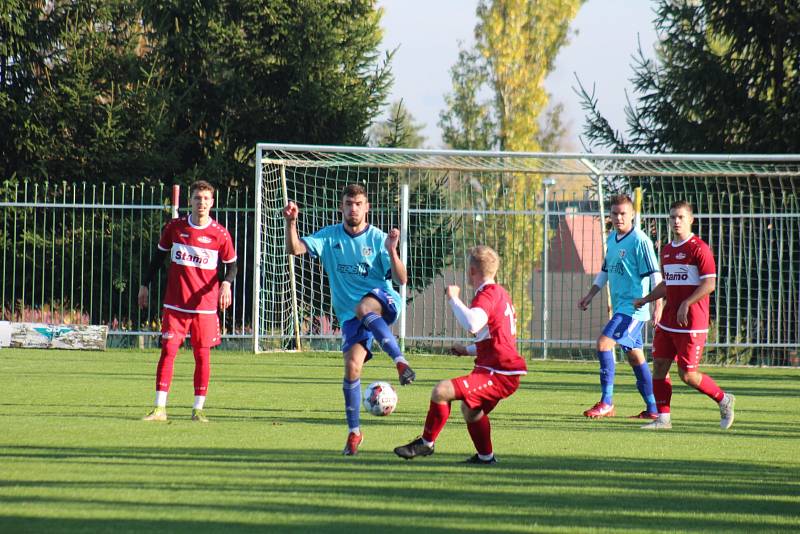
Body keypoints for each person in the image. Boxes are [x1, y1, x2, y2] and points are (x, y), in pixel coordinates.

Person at [283, 184, 415, 456]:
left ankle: (400, 360)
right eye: (348, 203)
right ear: (341, 207)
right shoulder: (330, 237)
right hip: (351, 316)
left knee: (364, 306)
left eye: (358, 203)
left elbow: (402, 280)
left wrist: (392, 250)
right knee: (352, 367)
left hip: (383, 302)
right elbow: (295, 248)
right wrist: (291, 222)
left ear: (367, 207)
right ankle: (354, 433)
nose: (353, 208)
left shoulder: (378, 238)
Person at [394, 245, 526, 464]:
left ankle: (426, 444)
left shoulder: (488, 295)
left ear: (472, 271)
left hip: (499, 372)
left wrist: (453, 298)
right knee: (471, 410)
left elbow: (473, 323)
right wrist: (467, 350)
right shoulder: (501, 293)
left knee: (441, 391)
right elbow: (496, 340)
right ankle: (486, 458)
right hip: (499, 369)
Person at [138, 180, 237, 423]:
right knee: (168, 352)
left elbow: (232, 265)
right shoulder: (175, 227)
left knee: (202, 355)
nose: (201, 203)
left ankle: (198, 409)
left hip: (204, 306)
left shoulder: (220, 234)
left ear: (212, 203)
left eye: (206, 199)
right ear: (189, 201)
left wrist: (226, 283)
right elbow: (158, 257)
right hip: (175, 304)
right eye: (197, 198)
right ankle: (160, 408)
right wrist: (144, 285)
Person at [633, 200, 735, 430]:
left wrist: (686, 303)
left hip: (692, 323)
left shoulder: (699, 248)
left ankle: (724, 399)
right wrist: (646, 299)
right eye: (672, 217)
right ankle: (663, 419)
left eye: (680, 217)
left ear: (691, 220)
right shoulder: (668, 250)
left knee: (687, 375)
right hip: (670, 321)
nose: (676, 221)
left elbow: (709, 284)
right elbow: (667, 284)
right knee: (659, 365)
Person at [577, 194, 663, 420]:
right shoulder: (613, 238)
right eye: (614, 213)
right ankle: (653, 408)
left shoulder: (640, 240)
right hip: (620, 308)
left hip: (633, 308)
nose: (618, 217)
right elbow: (605, 271)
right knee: (636, 357)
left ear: (632, 214)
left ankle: (606, 402)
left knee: (604, 344)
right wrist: (590, 295)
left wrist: (658, 307)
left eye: (623, 213)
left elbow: (656, 276)